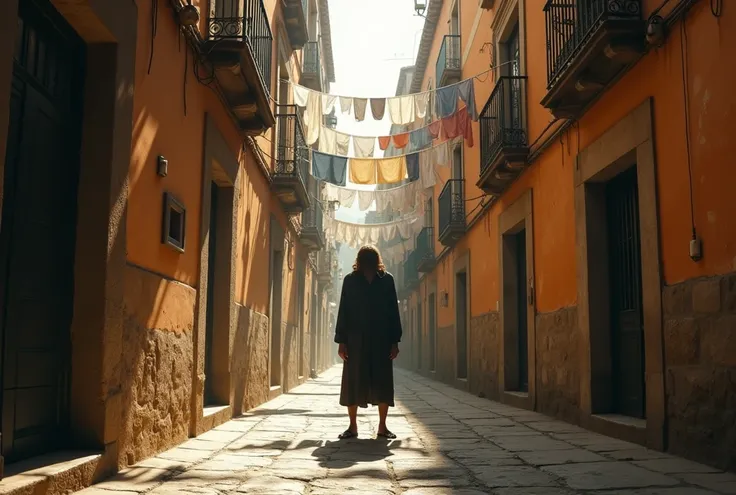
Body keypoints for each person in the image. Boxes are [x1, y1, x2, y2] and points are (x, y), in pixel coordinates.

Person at [334, 245, 402, 440]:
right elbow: (344, 311)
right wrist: (342, 340)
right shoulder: (350, 281)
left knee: (380, 381)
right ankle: (355, 427)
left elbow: (392, 312)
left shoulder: (387, 280)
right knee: (354, 381)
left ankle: (379, 427)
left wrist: (394, 340)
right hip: (358, 339)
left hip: (377, 339)